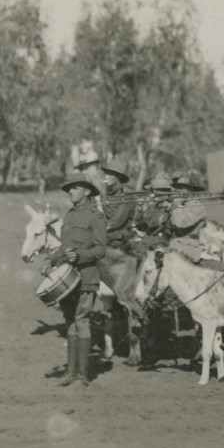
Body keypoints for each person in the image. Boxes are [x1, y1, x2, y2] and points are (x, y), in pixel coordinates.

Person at [45, 176, 107, 387]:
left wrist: (79, 256)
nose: (71, 192)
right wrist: (51, 260)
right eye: (70, 189)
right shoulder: (69, 215)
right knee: (70, 321)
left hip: (86, 276)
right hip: (66, 278)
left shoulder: (95, 216)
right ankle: (70, 373)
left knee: (81, 320)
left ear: (87, 192)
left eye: (75, 188)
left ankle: (83, 374)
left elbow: (100, 249)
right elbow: (64, 246)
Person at [101, 157, 136, 250]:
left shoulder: (127, 196)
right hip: (108, 236)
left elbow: (116, 221)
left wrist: (98, 229)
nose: (106, 176)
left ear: (119, 177)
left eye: (110, 174)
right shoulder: (108, 194)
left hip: (119, 239)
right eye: (106, 173)